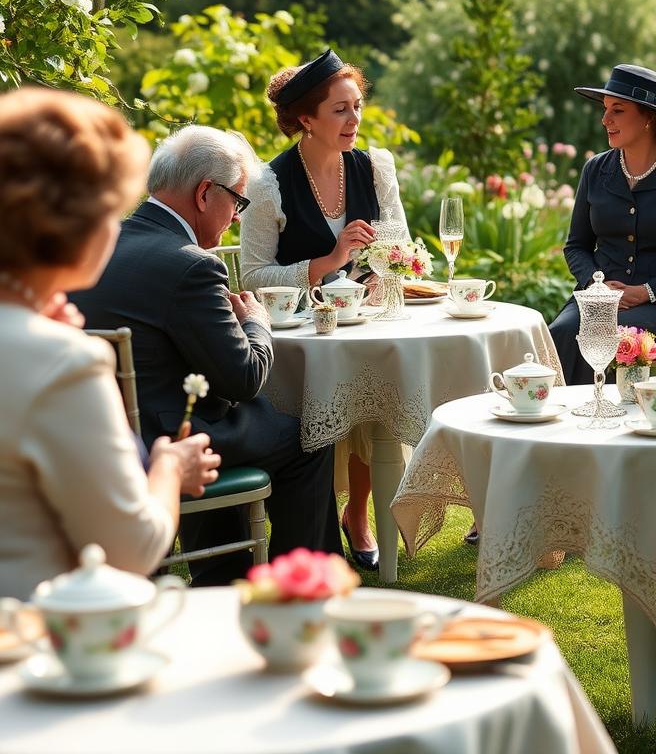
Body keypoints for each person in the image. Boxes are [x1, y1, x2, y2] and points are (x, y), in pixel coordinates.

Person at [74, 125, 342, 586]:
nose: (237, 218)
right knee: (311, 437)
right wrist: (255, 320)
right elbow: (243, 377)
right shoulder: (191, 264)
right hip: (168, 439)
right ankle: (294, 587)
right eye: (238, 202)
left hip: (98, 433)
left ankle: (222, 572)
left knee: (225, 415)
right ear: (204, 193)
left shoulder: (97, 244)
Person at [0, 89, 219, 601]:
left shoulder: (46, 341)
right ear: (81, 226)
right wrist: (170, 466)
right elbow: (131, 550)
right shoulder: (63, 361)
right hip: (36, 643)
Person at [240, 50, 408, 571]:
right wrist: (327, 262)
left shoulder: (375, 166)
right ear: (305, 120)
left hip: (364, 320)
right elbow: (252, 275)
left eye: (356, 107)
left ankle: (357, 513)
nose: (354, 120)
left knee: (374, 390)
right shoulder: (268, 184)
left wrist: (385, 265)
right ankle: (325, 517)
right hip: (299, 334)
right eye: (339, 110)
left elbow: (400, 243)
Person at [549, 64, 656, 385]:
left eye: (618, 110)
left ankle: (613, 423)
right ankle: (569, 426)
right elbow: (577, 246)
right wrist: (596, 287)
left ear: (649, 117)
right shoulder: (595, 170)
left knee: (614, 337)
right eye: (605, 109)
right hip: (599, 299)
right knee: (560, 333)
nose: (605, 120)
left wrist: (645, 292)